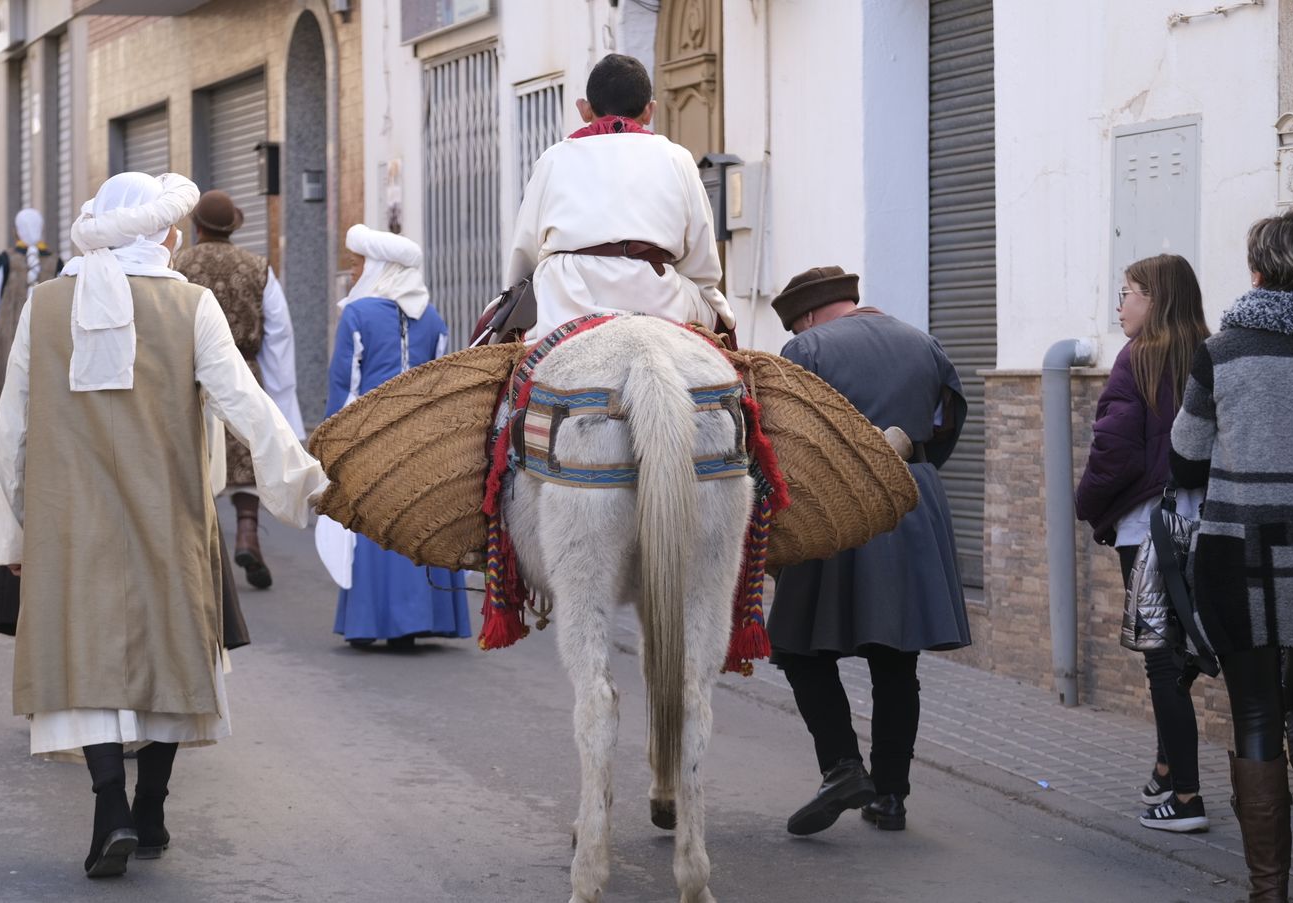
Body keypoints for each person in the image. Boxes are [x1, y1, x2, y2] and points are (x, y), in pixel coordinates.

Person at [0, 172, 327, 879]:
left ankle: (111, 806)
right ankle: (154, 807)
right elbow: (246, 404)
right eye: (169, 228)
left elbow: (10, 430)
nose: (174, 237)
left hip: (69, 519)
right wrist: (306, 481)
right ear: (156, 230)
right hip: (170, 510)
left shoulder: (47, 305)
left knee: (87, 658)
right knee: (170, 650)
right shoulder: (188, 305)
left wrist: (15, 531)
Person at [765, 265, 971, 836]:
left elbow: (785, 442)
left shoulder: (805, 349)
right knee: (896, 658)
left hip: (836, 507)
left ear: (805, 315)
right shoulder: (924, 343)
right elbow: (948, 423)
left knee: (797, 647)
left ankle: (841, 767)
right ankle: (891, 797)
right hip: (912, 500)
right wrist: (911, 475)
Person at [1172, 206, 1293, 903]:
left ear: (1258, 271)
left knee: (1257, 712)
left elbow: (1185, 455)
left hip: (1240, 558)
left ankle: (1268, 890)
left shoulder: (1223, 351)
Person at [1075, 254, 1211, 833]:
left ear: (1155, 300)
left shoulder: (1136, 358)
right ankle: (1165, 766)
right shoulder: (1208, 352)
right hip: (1208, 522)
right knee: (1194, 646)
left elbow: (1116, 449)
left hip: (1150, 529)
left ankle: (1185, 798)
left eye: (1128, 292)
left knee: (1163, 660)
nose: (1119, 304)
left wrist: (1087, 506)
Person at [504, 53, 731, 342]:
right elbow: (701, 263)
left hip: (564, 304)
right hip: (658, 299)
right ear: (649, 111)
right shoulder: (678, 158)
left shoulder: (553, 159)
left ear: (584, 109)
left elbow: (525, 253)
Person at [324, 224, 470, 648]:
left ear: (380, 268)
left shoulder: (356, 314)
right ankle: (420, 617)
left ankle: (374, 622)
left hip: (372, 437)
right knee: (421, 519)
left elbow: (344, 386)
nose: (353, 273)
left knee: (374, 523)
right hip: (423, 439)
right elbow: (442, 384)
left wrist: (334, 446)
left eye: (357, 264)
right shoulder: (434, 317)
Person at [172, 189, 303, 589]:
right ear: (232, 229)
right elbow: (279, 334)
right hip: (242, 372)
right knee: (245, 459)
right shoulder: (257, 267)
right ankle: (247, 532)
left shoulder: (175, 264)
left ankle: (197, 560)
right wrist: (282, 400)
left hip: (185, 375)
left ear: (196, 228)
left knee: (193, 462)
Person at [0, 209, 62, 468]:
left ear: (16, 230)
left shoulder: (5, 260)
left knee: (3, 390)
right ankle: (41, 460)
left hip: (8, 336)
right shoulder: (56, 261)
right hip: (46, 335)